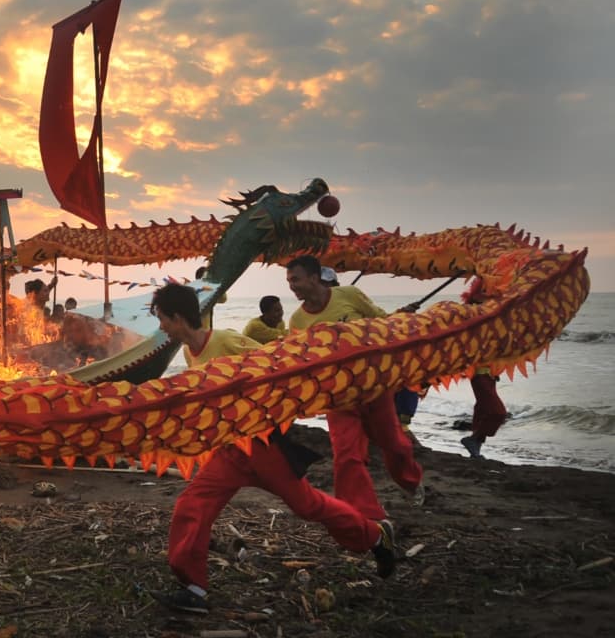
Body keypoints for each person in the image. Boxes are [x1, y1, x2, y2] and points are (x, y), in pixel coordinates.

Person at [149, 282, 395, 614]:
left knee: (309, 506)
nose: (161, 325)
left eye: (162, 318)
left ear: (178, 317)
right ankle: (193, 588)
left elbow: (278, 363)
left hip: (264, 447)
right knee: (192, 504)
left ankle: (375, 536)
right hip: (231, 451)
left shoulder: (224, 340)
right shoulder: (189, 352)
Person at [286, 255, 425, 518]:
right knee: (346, 454)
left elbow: (382, 324)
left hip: (374, 386)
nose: (292, 286)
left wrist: (402, 320)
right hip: (337, 396)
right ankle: (361, 512)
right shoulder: (298, 321)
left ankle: (411, 481)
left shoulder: (349, 295)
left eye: (296, 280)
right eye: (289, 281)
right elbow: (300, 360)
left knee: (394, 444)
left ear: (314, 278)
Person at [459, 278, 508, 459]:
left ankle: (475, 445)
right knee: (498, 412)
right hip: (479, 374)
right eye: (481, 300)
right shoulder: (472, 321)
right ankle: (474, 440)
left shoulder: (491, 320)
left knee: (482, 409)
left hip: (491, 374)